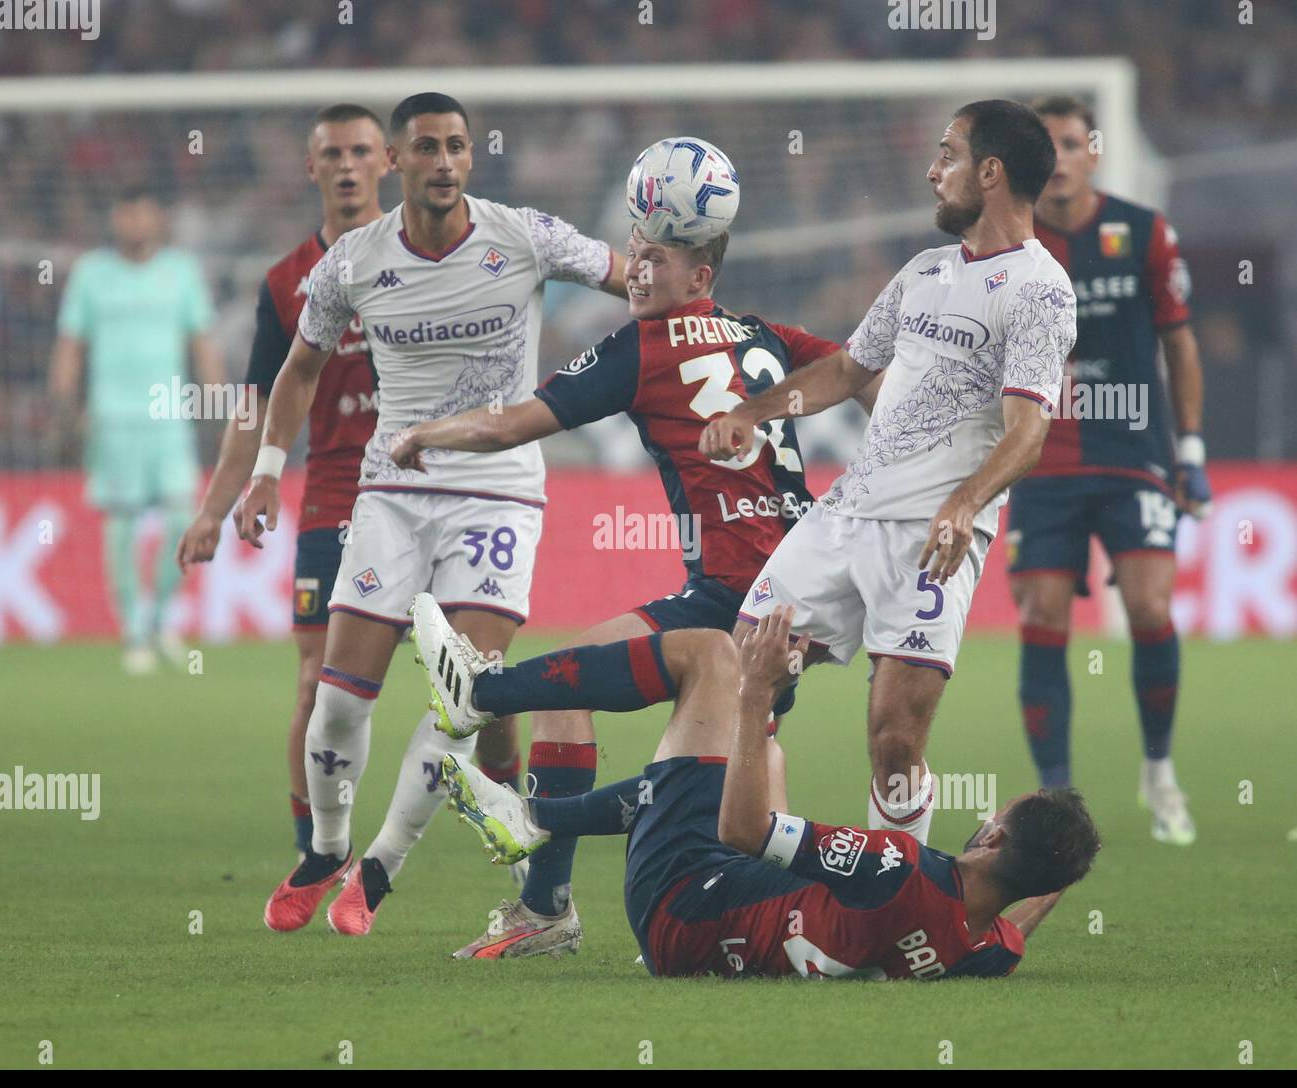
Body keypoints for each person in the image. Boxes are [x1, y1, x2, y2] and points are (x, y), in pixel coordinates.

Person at [390, 219, 837, 958]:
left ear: (700, 277)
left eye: (657, 260)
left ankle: (512, 783)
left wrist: (426, 434)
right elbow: (862, 369)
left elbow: (511, 425)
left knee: (666, 758)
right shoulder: (767, 334)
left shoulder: (644, 348)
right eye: (636, 258)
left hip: (733, 594)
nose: (635, 272)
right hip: (802, 592)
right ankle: (591, 904)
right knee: (730, 770)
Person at [239, 92, 627, 936]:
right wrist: (269, 467)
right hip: (392, 493)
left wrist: (673, 339)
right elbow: (299, 368)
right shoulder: (352, 262)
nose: (445, 161)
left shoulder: (522, 234)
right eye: (428, 148)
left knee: (465, 695)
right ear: (398, 164)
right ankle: (327, 848)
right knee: (339, 700)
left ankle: (377, 871)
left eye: (456, 146)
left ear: (467, 159)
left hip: (499, 491)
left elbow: (633, 277)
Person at [699, 100, 1077, 845]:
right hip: (846, 517)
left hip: (931, 541)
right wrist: (755, 411)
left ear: (991, 172)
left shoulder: (1040, 288)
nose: (934, 172)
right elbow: (845, 369)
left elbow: (1028, 431)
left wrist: (965, 504)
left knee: (895, 740)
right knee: (743, 674)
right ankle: (738, 857)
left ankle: (896, 893)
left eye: (949, 156)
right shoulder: (924, 271)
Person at [413, 596, 1100, 978]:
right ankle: (537, 819)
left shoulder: (898, 866)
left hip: (679, 897)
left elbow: (748, 834)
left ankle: (485, 701)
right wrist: (1061, 865)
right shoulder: (982, 949)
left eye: (994, 814)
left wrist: (756, 690)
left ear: (994, 836)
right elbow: (1016, 921)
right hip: (713, 931)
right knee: (761, 760)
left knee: (711, 655)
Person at [176, 104, 388, 860]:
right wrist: (213, 509)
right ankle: (315, 851)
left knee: (479, 688)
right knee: (314, 684)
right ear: (312, 167)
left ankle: (528, 863)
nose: (346, 164)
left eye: (361, 150)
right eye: (332, 152)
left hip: (434, 493)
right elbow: (257, 407)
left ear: (386, 162)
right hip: (335, 498)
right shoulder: (286, 283)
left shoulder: (432, 257)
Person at [1007, 95, 1206, 845]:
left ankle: (1159, 773)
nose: (1057, 158)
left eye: (1068, 142)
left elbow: (1180, 345)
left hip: (1133, 454)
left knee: (1152, 609)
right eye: (1044, 145)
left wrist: (1191, 449)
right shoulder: (1011, 247)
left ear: (1093, 151)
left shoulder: (1145, 232)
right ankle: (1053, 805)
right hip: (1041, 457)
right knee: (1040, 615)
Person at [50, 188, 225, 674]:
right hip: (112, 418)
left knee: (181, 521)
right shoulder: (91, 273)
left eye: (142, 212)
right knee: (122, 523)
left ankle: (159, 618)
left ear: (157, 217)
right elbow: (71, 343)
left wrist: (220, 402)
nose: (134, 222)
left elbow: (203, 339)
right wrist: (64, 403)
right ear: (115, 218)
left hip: (171, 416)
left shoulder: (181, 271)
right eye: (125, 213)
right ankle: (132, 630)